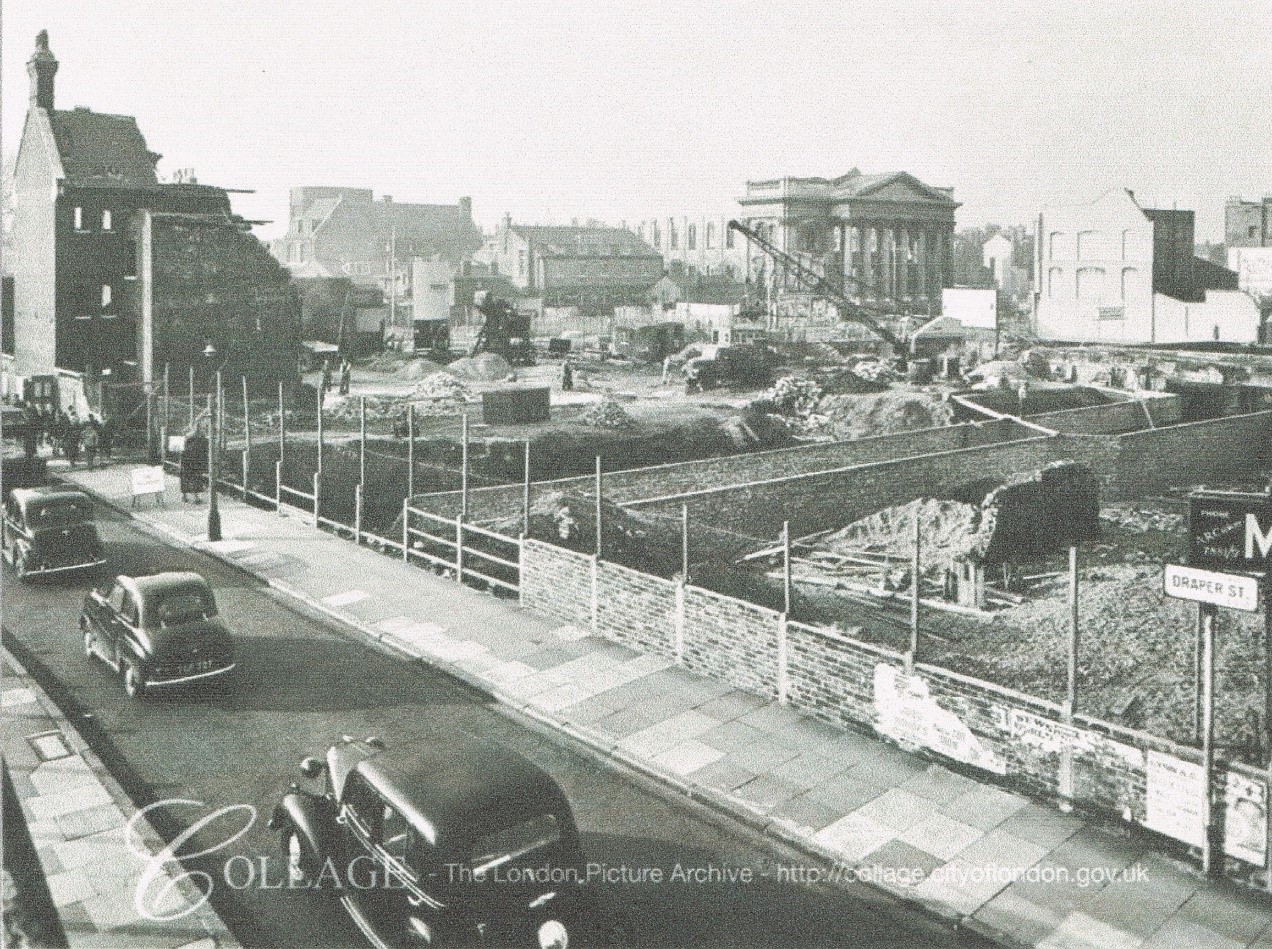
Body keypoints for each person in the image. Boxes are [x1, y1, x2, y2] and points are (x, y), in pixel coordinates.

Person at [181, 425, 209, 503]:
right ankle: (196, 498)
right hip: (194, 460)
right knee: (195, 477)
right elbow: (205, 450)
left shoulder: (188, 437)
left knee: (185, 477)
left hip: (185, 459)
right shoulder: (201, 438)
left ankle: (184, 496)